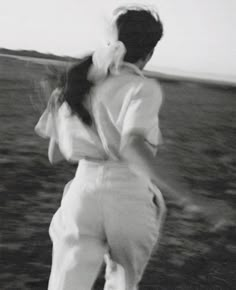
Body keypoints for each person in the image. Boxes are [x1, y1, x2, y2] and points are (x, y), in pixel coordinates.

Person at [35, 5, 233, 290]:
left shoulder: (74, 86)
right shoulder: (141, 88)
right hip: (129, 198)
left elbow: (54, 155)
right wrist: (191, 198)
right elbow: (132, 146)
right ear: (149, 54)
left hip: (82, 195)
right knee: (122, 284)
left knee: (66, 284)